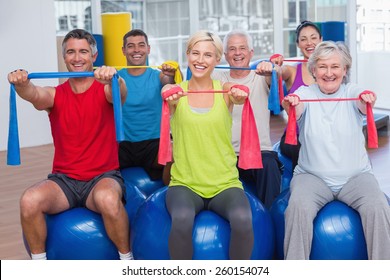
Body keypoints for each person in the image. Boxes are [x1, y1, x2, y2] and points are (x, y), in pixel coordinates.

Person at [7, 29, 132, 260]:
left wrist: (116, 78)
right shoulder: (55, 95)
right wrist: (21, 83)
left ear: (94, 57)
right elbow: (33, 94)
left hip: (102, 177)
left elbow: (120, 93)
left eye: (83, 52)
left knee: (107, 199)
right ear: (64, 57)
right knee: (29, 200)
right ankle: (39, 264)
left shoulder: (105, 90)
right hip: (64, 181)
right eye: (71, 52)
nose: (77, 58)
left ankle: (127, 261)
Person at [282, 41, 390, 260]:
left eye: (335, 67)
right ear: (313, 70)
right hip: (312, 177)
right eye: (322, 66)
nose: (329, 73)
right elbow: (295, 106)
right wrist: (291, 104)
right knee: (297, 208)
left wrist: (366, 99)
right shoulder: (304, 93)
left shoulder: (353, 92)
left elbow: (362, 100)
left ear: (345, 70)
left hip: (356, 177)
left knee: (378, 206)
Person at [161, 30, 255, 260]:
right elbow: (166, 91)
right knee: (182, 219)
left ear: (217, 60)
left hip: (224, 183)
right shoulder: (177, 92)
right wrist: (168, 92)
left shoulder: (225, 91)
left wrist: (239, 95)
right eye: (195, 53)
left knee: (243, 220)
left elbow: (238, 96)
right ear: (187, 55)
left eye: (207, 55)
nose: (200, 60)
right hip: (185, 183)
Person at [212, 29, 282, 209]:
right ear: (225, 55)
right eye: (232, 49)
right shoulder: (216, 77)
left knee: (269, 165)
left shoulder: (261, 77)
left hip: (259, 152)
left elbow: (278, 74)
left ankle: (271, 222)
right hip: (225, 155)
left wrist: (272, 69)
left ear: (251, 53)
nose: (237, 53)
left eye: (242, 48)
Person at [118, 29, 180, 185]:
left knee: (174, 154)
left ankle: (169, 195)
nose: (136, 50)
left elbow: (169, 83)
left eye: (141, 45)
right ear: (124, 51)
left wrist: (170, 75)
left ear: (148, 49)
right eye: (131, 46)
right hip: (123, 144)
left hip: (154, 143)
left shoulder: (158, 76)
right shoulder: (117, 79)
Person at [272, 20, 322, 171]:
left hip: (323, 135)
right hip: (295, 138)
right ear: (298, 44)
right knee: (306, 149)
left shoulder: (330, 73)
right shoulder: (292, 71)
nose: (309, 43)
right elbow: (278, 73)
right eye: (303, 39)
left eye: (313, 38)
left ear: (321, 40)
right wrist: (275, 67)